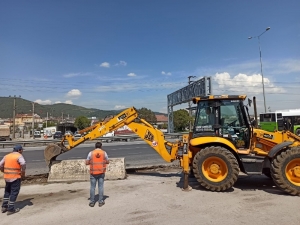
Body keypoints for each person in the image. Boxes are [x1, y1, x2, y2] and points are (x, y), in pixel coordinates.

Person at [0, 145, 26, 215]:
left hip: (7, 177)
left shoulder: (7, 156)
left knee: (7, 192)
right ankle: (11, 209)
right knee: (14, 192)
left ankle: (4, 206)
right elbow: (23, 163)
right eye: (22, 150)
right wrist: (23, 172)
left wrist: (3, 170)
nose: (22, 151)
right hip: (15, 177)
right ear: (19, 150)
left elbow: (0, 164)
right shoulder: (18, 156)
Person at [86, 142, 109, 207]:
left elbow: (87, 162)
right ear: (101, 146)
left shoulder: (91, 153)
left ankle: (92, 202)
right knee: (100, 187)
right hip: (101, 172)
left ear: (95, 146)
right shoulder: (104, 153)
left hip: (93, 173)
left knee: (92, 187)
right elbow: (107, 161)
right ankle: (101, 201)